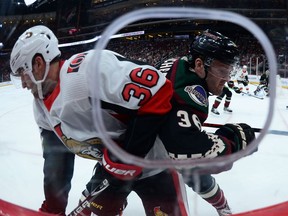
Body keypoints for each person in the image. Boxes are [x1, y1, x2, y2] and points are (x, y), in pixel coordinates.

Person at [10, 25, 189, 216]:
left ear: (37, 63)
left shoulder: (88, 70)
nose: (22, 83)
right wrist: (53, 209)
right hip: (110, 172)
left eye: (22, 71)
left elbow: (159, 90)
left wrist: (127, 156)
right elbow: (57, 161)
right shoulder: (40, 108)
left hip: (155, 165)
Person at [158, 29, 256, 216]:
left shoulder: (177, 63)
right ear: (200, 64)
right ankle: (223, 207)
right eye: (222, 70)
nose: (227, 78)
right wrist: (232, 143)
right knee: (192, 170)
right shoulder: (191, 93)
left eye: (230, 70)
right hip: (144, 157)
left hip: (124, 142)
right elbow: (184, 148)